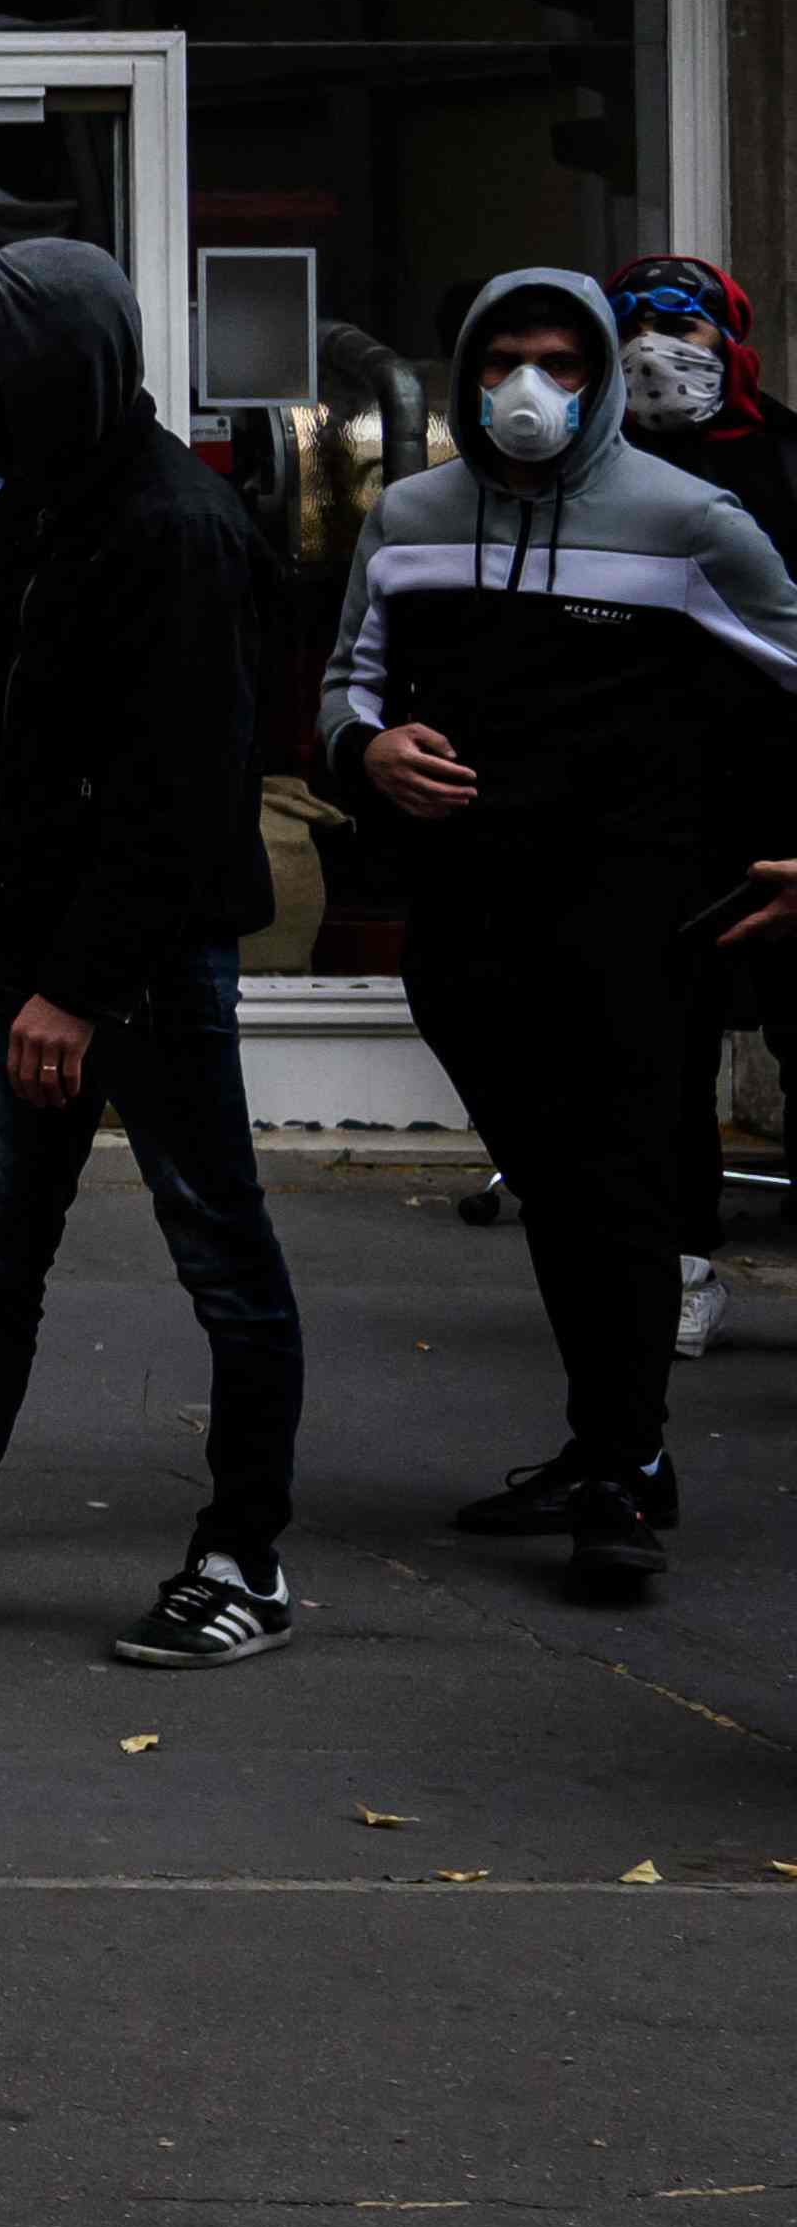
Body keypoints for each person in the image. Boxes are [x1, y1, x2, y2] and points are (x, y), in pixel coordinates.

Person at [0, 235, 304, 1663]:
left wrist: (79, 991)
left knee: (219, 1253)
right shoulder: (33, 509)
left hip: (135, 963)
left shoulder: (174, 527)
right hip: (34, 942)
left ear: (66, 357)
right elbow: (3, 740)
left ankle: (244, 1561)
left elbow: (177, 791)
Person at [323, 269, 797, 1607]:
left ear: (596, 377)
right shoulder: (409, 517)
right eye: (504, 360)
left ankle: (624, 1470)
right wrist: (371, 752)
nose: (530, 387)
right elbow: (339, 686)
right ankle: (606, 1445)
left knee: (623, 1191)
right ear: (467, 371)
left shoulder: (691, 519)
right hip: (466, 925)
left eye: (562, 363)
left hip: (634, 921)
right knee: (555, 1188)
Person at [610, 255, 797, 1357]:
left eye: (679, 323)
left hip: (781, 802)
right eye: (630, 321)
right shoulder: (593, 467)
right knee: (662, 1043)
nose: (654, 345)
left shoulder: (783, 457)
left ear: (731, 336)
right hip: (657, 804)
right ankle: (679, 1263)